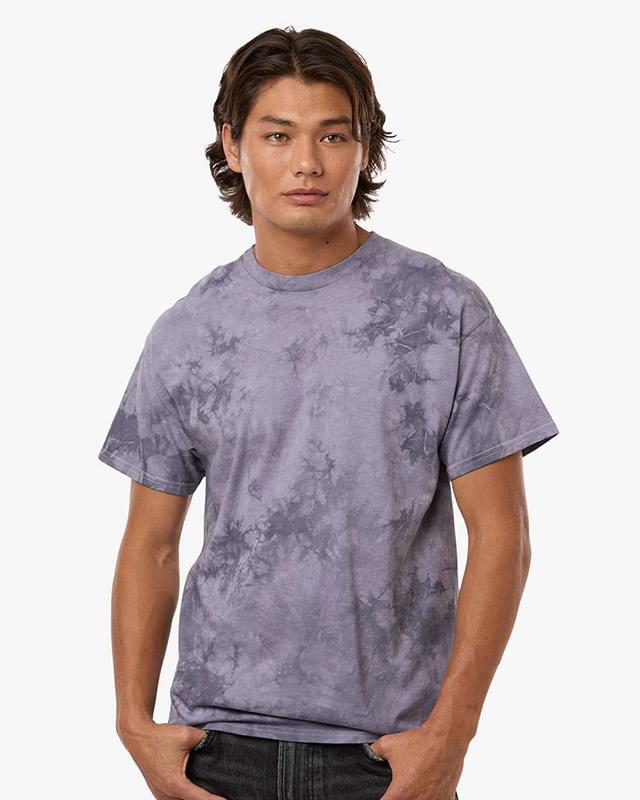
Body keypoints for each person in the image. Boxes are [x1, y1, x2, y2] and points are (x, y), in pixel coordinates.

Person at [98, 26, 559, 800]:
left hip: (387, 752)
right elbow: (150, 544)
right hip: (217, 747)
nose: (307, 163)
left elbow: (503, 537)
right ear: (233, 145)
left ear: (365, 146)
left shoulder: (443, 311)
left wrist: (452, 734)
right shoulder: (189, 330)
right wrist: (132, 724)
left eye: (333, 135)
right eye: (278, 135)